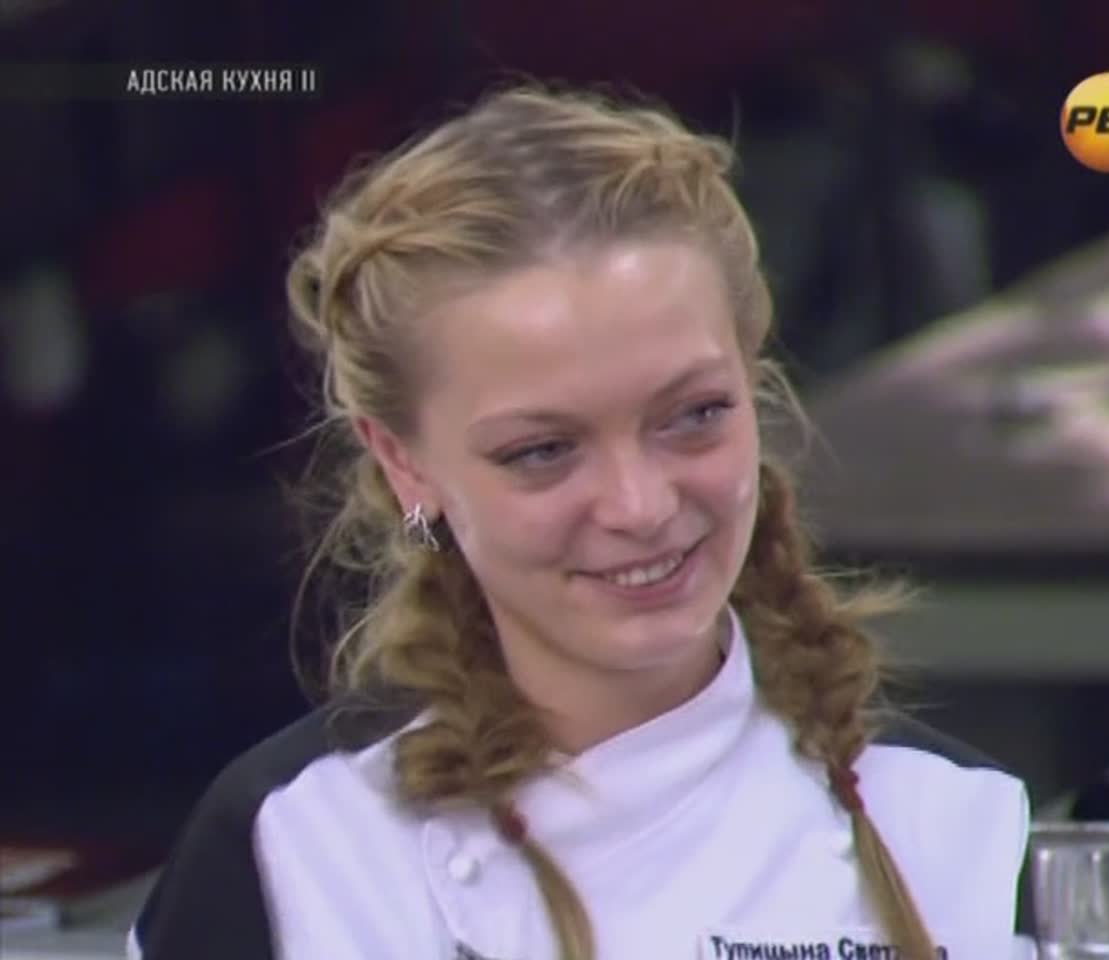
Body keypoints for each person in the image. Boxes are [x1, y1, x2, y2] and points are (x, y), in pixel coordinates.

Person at [128, 85, 1034, 960]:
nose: (640, 506)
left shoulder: (967, 827)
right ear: (405, 463)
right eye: (542, 451)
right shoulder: (300, 849)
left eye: (694, 415)